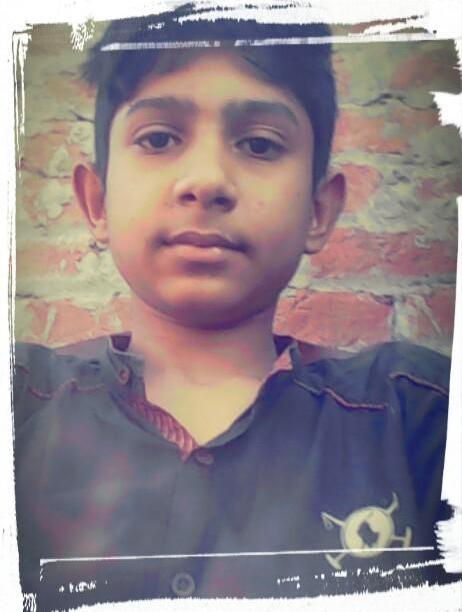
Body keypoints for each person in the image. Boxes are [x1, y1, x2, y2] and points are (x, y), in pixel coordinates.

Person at [13, 7, 454, 610]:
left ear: (318, 211)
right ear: (97, 201)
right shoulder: (20, 405)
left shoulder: (416, 418)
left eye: (259, 144)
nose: (207, 180)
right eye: (159, 138)